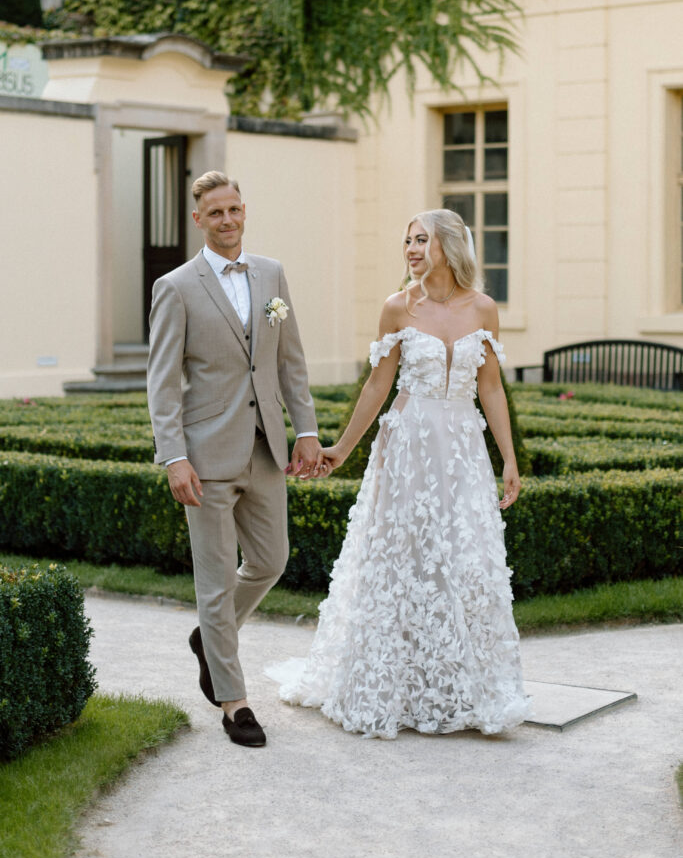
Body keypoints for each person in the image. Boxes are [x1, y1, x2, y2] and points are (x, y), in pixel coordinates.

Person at [268, 209, 531, 738]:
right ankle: (394, 686)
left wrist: (508, 457)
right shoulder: (397, 308)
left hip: (461, 450)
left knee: (466, 560)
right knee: (403, 559)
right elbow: (376, 386)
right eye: (407, 241)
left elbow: (491, 388)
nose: (410, 250)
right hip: (408, 446)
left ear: (449, 246)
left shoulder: (483, 309)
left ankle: (464, 687)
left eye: (420, 240)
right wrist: (343, 447)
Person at [147, 170, 322, 748]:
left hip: (266, 447)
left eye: (235, 209)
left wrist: (306, 430)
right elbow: (163, 383)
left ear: (245, 211)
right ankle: (234, 702)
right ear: (198, 219)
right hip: (205, 456)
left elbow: (288, 361)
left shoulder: (270, 274)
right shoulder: (175, 287)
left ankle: (209, 639)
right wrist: (173, 456)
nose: (227, 220)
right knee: (216, 579)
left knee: (271, 560)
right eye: (215, 212)